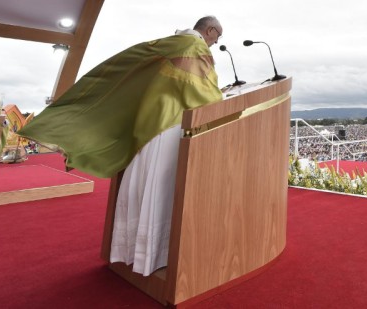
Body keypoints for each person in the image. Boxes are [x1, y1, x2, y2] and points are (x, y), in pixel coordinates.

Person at [20, 16, 224, 276]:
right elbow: (202, 91)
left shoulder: (171, 42)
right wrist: (223, 102)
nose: (215, 42)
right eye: (217, 37)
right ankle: (151, 255)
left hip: (151, 123)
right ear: (210, 30)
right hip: (170, 124)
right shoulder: (193, 46)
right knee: (159, 186)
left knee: (145, 182)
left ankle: (133, 253)